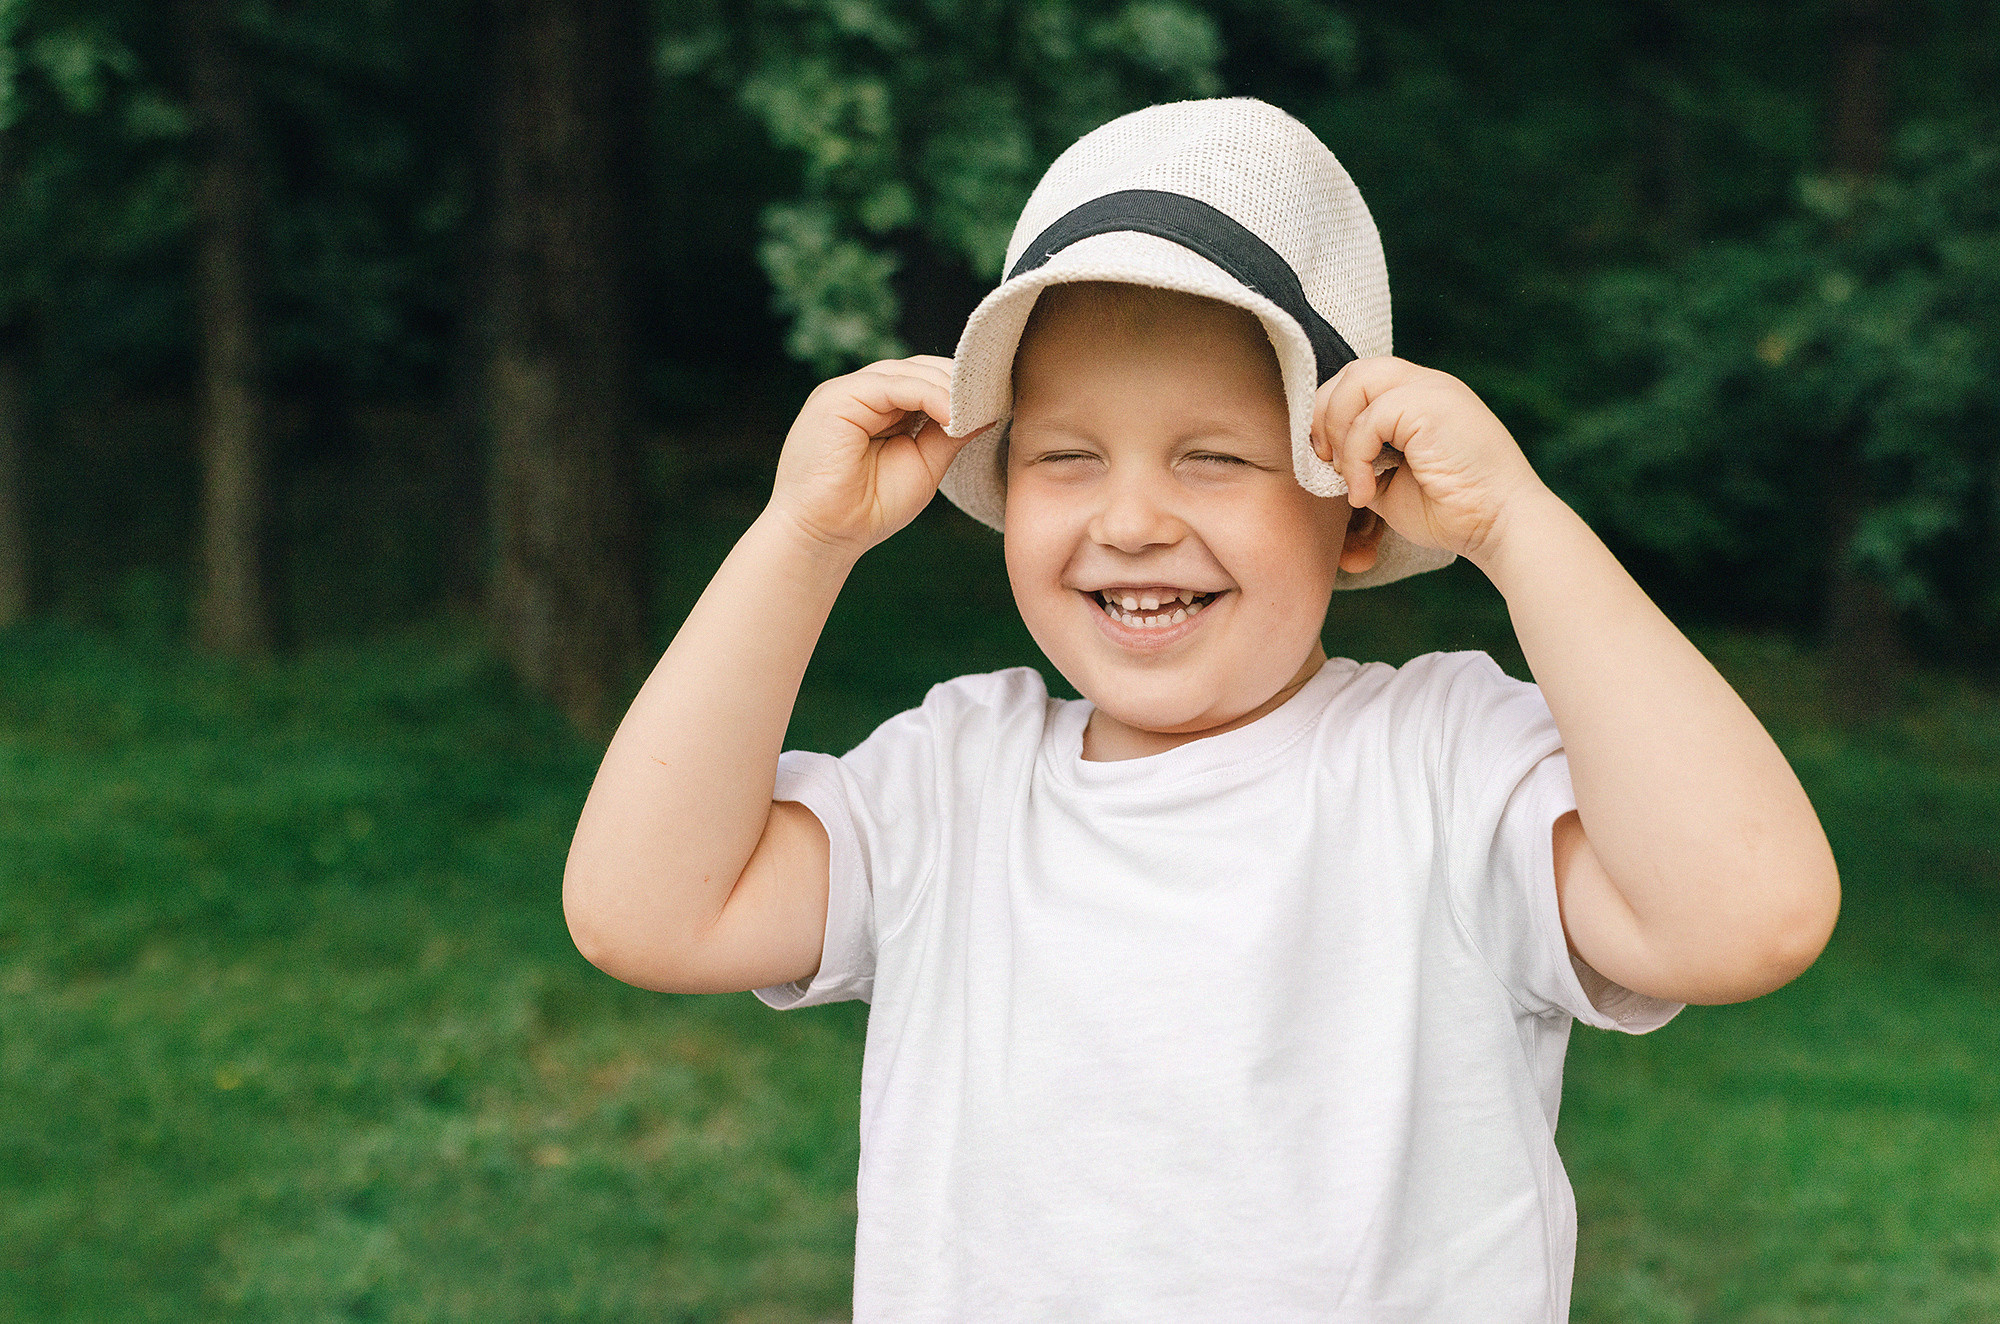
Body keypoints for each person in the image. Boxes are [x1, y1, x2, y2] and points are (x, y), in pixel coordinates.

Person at [562, 99, 1839, 1321]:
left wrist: (1520, 528)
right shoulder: (954, 781)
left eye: (1212, 457)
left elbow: (1746, 915)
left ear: (1354, 505)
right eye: (1065, 456)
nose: (1129, 521)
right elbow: (645, 912)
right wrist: (801, 539)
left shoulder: (1443, 765)